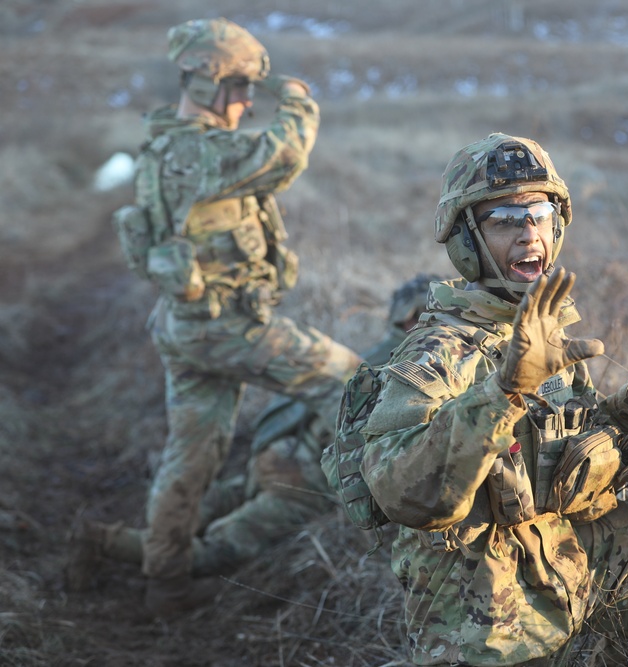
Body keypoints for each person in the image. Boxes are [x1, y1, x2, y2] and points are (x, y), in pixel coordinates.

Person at [357, 133, 628, 666]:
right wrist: (504, 392)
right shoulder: (434, 354)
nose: (528, 233)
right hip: (485, 601)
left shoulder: (541, 328)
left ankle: (607, 647)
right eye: (503, 219)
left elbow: (560, 458)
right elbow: (405, 496)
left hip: (564, 550)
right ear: (466, 242)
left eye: (539, 215)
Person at [82, 17, 363, 616]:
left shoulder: (169, 144)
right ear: (205, 82)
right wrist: (297, 100)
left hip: (188, 328)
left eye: (250, 90)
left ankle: (166, 584)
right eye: (237, 87)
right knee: (356, 384)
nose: (244, 102)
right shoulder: (196, 149)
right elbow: (284, 156)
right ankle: (364, 505)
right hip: (225, 327)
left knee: (191, 458)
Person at [67, 275, 439, 588]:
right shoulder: (423, 364)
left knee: (207, 509)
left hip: (276, 451)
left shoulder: (373, 352)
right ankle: (106, 543)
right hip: (305, 478)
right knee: (220, 547)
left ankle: (124, 542)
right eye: (423, 315)